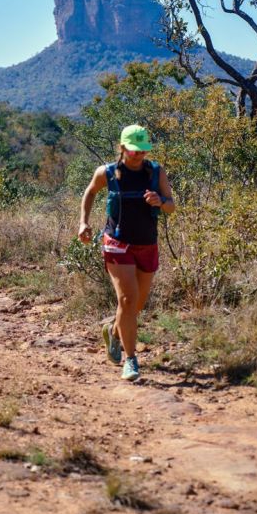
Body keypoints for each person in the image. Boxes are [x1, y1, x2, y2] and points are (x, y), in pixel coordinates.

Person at [78, 124, 175, 381]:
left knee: (137, 304)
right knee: (128, 301)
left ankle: (114, 330)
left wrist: (160, 201)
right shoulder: (107, 172)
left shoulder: (156, 172)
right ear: (122, 148)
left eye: (142, 150)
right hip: (117, 243)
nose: (138, 155)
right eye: (133, 150)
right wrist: (83, 222)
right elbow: (90, 192)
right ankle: (130, 360)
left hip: (147, 243)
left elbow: (171, 206)